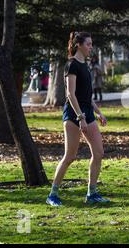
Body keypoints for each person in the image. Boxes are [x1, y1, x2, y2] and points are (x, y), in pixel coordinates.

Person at [46, 32, 109, 207]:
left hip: (87, 113)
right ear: (79, 45)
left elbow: (86, 96)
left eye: (91, 44)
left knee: (98, 153)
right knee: (70, 156)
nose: (91, 47)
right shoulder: (71, 65)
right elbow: (70, 94)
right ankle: (53, 194)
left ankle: (92, 192)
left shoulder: (84, 65)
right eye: (88, 44)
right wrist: (80, 117)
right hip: (74, 115)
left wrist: (98, 113)